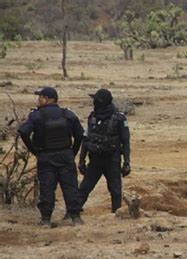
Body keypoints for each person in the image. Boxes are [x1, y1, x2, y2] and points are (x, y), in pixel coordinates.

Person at [18, 87, 84, 227]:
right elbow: (79, 135)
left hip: (46, 156)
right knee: (70, 186)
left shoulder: (36, 116)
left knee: (47, 187)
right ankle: (76, 217)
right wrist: (73, 152)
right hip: (65, 154)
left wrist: (34, 150)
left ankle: (46, 219)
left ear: (46, 99)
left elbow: (23, 132)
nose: (38, 101)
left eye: (40, 98)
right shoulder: (67, 114)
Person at [75, 89, 130, 215]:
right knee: (84, 188)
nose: (94, 102)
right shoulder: (92, 117)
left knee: (115, 190)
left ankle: (116, 215)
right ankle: (73, 214)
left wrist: (127, 162)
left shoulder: (119, 118)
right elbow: (86, 139)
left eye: (96, 100)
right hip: (95, 160)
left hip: (112, 159)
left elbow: (125, 141)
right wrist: (81, 160)